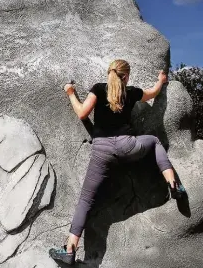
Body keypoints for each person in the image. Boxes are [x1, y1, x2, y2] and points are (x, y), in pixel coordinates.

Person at [49, 59, 186, 265]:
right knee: (155, 141)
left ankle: (70, 250)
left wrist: (70, 92)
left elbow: (82, 113)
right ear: (127, 76)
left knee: (86, 200)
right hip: (127, 147)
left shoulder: (98, 88)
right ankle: (173, 184)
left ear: (109, 73)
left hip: (101, 150)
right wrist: (161, 80)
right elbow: (153, 93)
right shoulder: (131, 92)